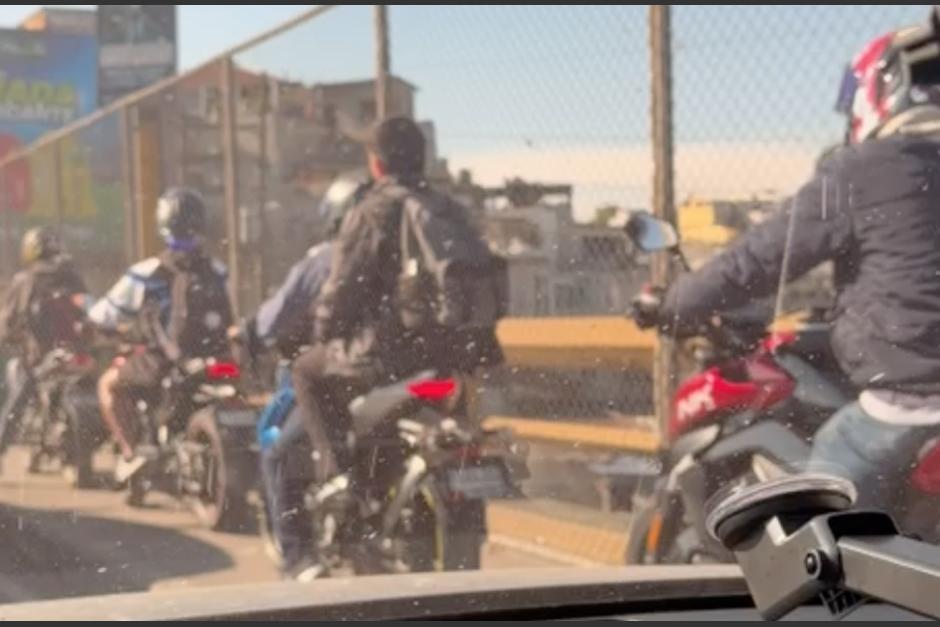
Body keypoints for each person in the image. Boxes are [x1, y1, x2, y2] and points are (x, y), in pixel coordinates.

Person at [633, 20, 940, 508]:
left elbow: (757, 259)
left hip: (911, 404)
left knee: (820, 525)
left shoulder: (864, 169)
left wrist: (675, 302)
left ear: (880, 90)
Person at [291, 116, 503, 519]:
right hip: (453, 357)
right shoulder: (450, 210)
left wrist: (324, 332)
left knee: (305, 372)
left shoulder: (372, 209)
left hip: (388, 357)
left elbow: (341, 290)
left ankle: (339, 479)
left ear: (377, 163)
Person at [236, 173, 368, 581]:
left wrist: (247, 333)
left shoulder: (324, 259)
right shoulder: (394, 253)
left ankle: (297, 556)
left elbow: (273, 317)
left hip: (342, 372)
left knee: (277, 452)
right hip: (396, 370)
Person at [89, 188, 233, 484]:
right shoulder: (219, 271)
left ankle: (131, 453)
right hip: (218, 363)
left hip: (162, 363)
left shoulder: (146, 272)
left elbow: (103, 315)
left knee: (108, 384)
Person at [0, 227, 88, 466]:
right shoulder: (73, 278)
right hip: (78, 355)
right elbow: (89, 313)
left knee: (16, 400)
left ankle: (2, 444)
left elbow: (7, 324)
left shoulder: (25, 281)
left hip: (40, 358)